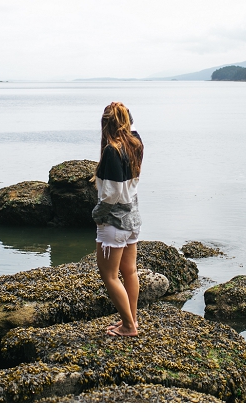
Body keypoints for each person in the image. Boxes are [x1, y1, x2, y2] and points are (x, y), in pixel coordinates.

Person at [92, 102, 144, 337]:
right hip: (132, 217)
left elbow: (111, 194)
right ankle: (130, 321)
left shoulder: (112, 150)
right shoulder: (136, 142)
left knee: (110, 276)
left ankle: (129, 326)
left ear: (106, 124)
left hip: (114, 222)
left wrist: (97, 215)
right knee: (129, 272)